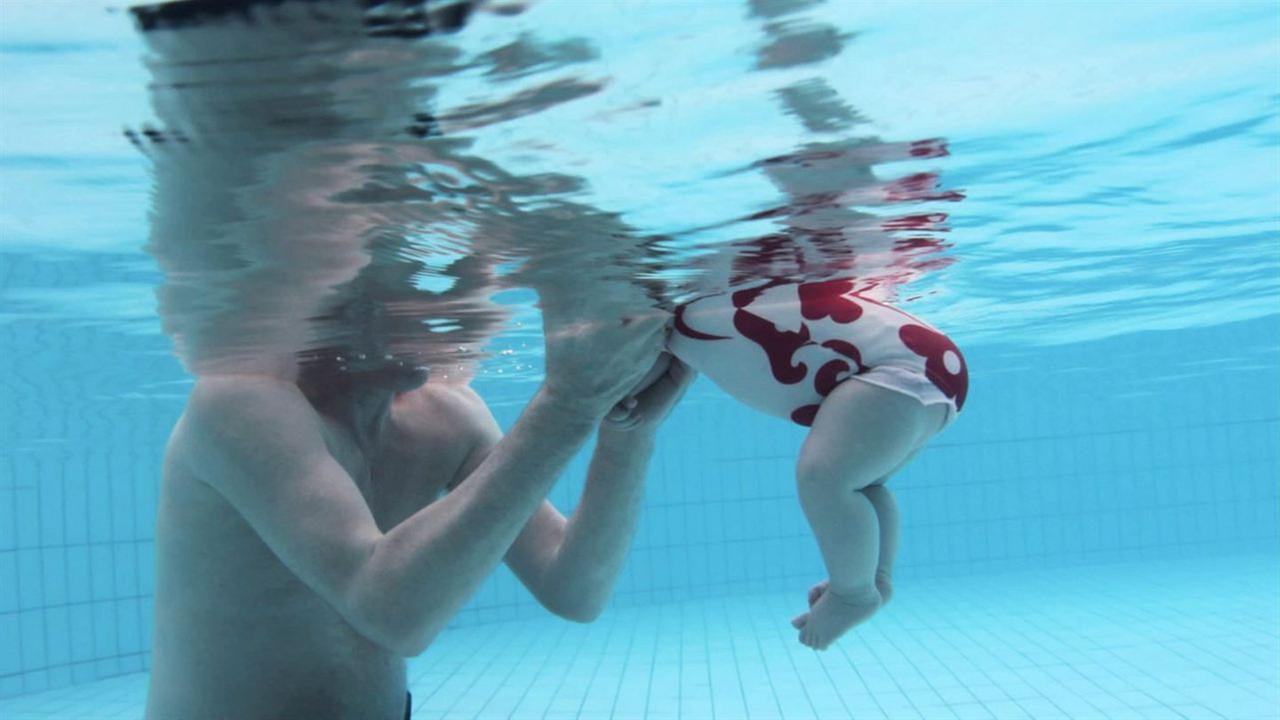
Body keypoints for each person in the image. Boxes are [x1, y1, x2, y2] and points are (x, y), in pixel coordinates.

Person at [143, 310, 694, 720]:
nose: (451, 317)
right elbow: (390, 610)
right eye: (422, 288)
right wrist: (568, 403)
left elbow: (573, 588)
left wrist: (628, 436)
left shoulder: (447, 415)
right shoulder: (239, 403)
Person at [665, 276, 968, 651]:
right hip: (929, 367)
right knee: (864, 484)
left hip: (895, 371)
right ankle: (874, 577)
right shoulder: (690, 305)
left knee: (825, 482)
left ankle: (853, 593)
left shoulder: (654, 312)